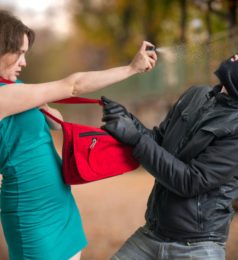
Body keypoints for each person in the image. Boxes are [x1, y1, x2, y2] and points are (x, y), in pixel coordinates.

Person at [0, 10, 157, 260]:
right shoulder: (3, 96)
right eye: (18, 52)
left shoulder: (16, 88)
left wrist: (45, 109)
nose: (24, 62)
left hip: (60, 203)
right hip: (31, 211)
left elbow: (55, 122)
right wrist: (130, 69)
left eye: (26, 53)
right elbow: (73, 85)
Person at [101, 49, 238, 260]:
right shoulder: (196, 95)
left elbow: (191, 181)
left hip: (196, 247)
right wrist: (128, 120)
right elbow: (159, 142)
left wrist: (136, 138)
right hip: (152, 233)